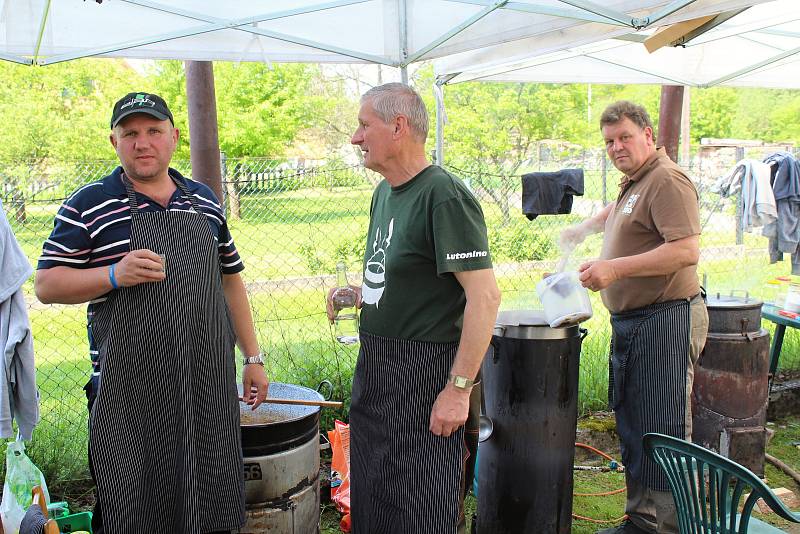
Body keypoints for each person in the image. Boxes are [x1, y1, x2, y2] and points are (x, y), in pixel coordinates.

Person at [35, 92, 269, 534]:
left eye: (154, 132)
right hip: (130, 393)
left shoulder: (203, 201)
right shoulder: (89, 203)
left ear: (173, 138)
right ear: (114, 142)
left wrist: (252, 358)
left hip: (206, 385)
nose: (143, 143)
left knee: (210, 497)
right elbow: (47, 284)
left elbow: (230, 279)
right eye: (131, 134)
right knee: (133, 504)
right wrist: (112, 275)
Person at [326, 83, 501, 533]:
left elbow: (485, 297)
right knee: (374, 494)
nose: (355, 137)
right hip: (377, 368)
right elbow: (403, 276)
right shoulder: (384, 193)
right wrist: (358, 294)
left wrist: (458, 389)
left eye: (364, 125)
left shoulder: (444, 196)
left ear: (398, 126)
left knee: (422, 504)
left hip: (425, 374)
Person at [561, 101, 708, 534]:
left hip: (667, 319)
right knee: (633, 424)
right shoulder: (637, 181)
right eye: (609, 141)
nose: (616, 147)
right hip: (635, 322)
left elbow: (685, 251)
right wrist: (582, 229)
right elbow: (619, 211)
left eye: (625, 137)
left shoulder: (668, 181)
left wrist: (613, 269)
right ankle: (640, 519)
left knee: (662, 428)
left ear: (648, 134)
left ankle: (672, 526)